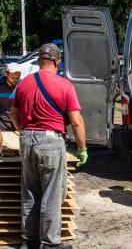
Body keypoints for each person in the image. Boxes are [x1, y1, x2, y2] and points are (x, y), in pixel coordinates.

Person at [10, 43, 88, 249]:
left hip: (26, 139)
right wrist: (82, 148)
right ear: (57, 62)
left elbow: (13, 115)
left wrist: (24, 132)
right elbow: (77, 121)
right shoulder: (64, 85)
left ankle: (29, 241)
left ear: (38, 61)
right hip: (51, 141)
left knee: (30, 193)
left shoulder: (24, 83)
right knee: (52, 194)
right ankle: (50, 244)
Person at [0, 62, 22, 131]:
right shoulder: (1, 86)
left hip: (17, 123)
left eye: (17, 77)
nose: (15, 80)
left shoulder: (22, 86)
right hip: (2, 124)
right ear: (6, 74)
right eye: (12, 77)